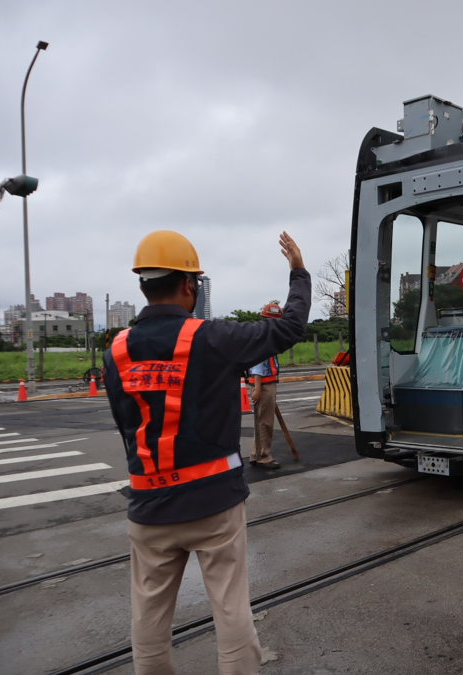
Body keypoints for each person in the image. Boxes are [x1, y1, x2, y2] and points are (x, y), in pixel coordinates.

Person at [103, 230, 311, 675]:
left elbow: (127, 426)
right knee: (231, 611)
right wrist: (297, 272)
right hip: (213, 504)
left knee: (149, 618)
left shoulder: (114, 352)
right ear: (189, 285)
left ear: (142, 284)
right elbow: (290, 328)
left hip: (149, 507)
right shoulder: (215, 338)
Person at [249, 303, 284, 470]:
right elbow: (257, 365)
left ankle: (256, 454)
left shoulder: (262, 334)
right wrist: (257, 388)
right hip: (264, 384)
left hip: (264, 383)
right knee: (265, 422)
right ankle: (263, 456)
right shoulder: (264, 337)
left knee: (260, 421)